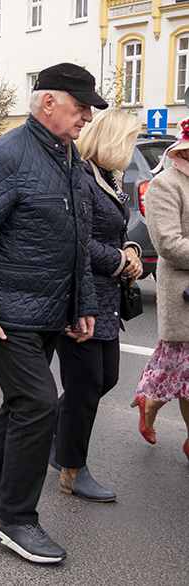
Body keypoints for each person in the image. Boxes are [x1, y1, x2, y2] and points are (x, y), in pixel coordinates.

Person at [0, 63, 105, 564]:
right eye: (80, 107)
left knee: (19, 407)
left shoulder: (68, 156)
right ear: (49, 102)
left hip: (46, 312)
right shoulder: (6, 156)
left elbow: (76, 239)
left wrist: (82, 305)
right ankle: (17, 520)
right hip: (5, 314)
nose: (86, 116)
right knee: (40, 404)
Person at [49, 108, 143, 502]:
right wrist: (119, 260)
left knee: (105, 380)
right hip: (79, 297)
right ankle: (72, 469)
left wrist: (132, 248)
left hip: (104, 299)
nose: (133, 148)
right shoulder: (82, 177)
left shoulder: (106, 176)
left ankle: (48, 431)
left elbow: (113, 230)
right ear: (115, 140)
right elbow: (77, 242)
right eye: (131, 140)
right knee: (85, 385)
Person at [131, 115, 189, 461]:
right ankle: (150, 403)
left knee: (181, 372)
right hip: (183, 293)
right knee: (182, 371)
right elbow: (168, 244)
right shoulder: (166, 184)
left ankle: (149, 401)